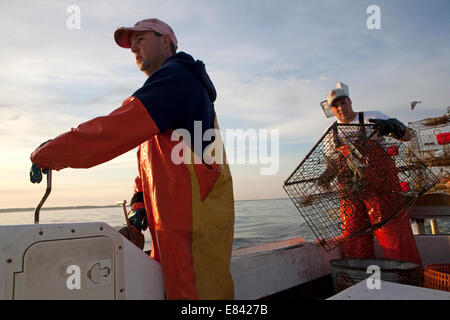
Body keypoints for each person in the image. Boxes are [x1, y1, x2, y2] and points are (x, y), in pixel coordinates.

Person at [30, 18, 235, 299]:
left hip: (192, 222)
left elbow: (113, 131)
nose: (134, 49)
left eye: (141, 40)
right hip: (178, 219)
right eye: (131, 46)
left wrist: (52, 152)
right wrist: (140, 207)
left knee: (199, 293)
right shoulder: (169, 93)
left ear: (166, 41)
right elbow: (154, 164)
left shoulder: (177, 79)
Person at [319, 85, 422, 265]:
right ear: (332, 110)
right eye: (336, 106)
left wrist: (395, 126)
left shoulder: (370, 117)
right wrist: (328, 173)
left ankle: (409, 276)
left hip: (382, 186)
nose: (341, 108)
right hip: (350, 188)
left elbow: (408, 136)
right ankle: (360, 276)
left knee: (393, 230)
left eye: (344, 102)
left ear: (350, 102)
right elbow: (333, 161)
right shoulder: (331, 133)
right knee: (353, 233)